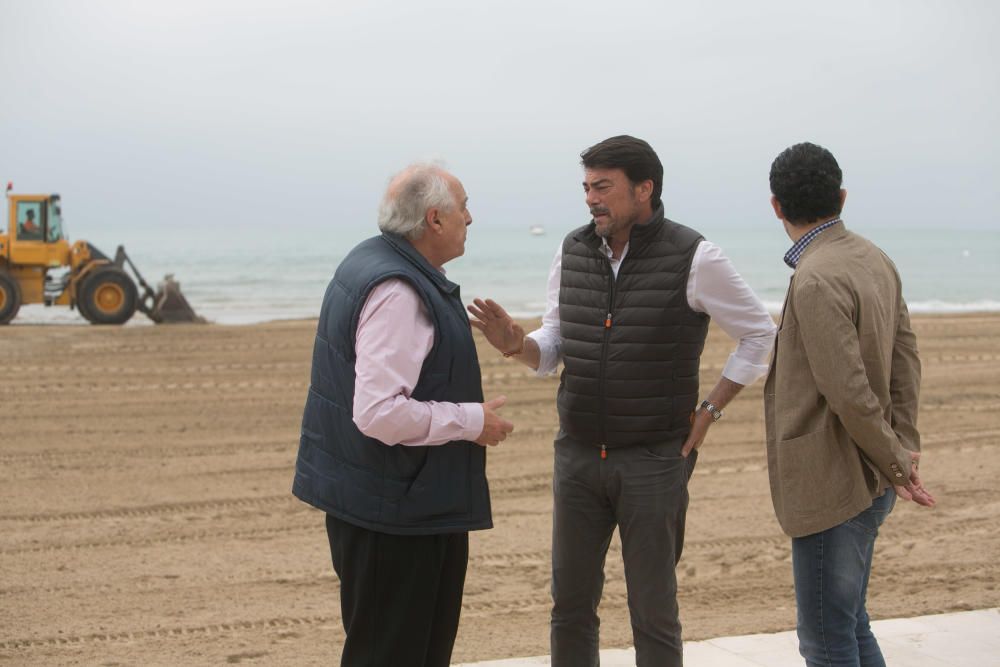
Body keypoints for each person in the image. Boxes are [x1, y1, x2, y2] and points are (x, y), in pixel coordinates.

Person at [468, 135, 776, 666]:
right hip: (579, 455)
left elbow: (759, 334)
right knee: (569, 607)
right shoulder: (572, 250)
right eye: (587, 187)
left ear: (644, 189)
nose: (591, 199)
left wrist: (711, 408)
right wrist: (517, 345)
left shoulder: (695, 256)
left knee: (653, 612)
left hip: (654, 460)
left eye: (603, 187)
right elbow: (555, 347)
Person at [292, 163, 515, 667]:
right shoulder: (399, 291)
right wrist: (471, 421)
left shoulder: (371, 261)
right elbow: (378, 414)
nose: (471, 218)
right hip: (397, 515)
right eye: (464, 207)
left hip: (384, 502)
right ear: (434, 219)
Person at [764, 142, 935, 667]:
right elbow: (905, 358)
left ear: (776, 206)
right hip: (872, 472)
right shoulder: (872, 257)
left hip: (834, 481)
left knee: (826, 639)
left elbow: (848, 392)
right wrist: (901, 446)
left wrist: (895, 459)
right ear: (841, 196)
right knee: (850, 626)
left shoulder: (816, 276)